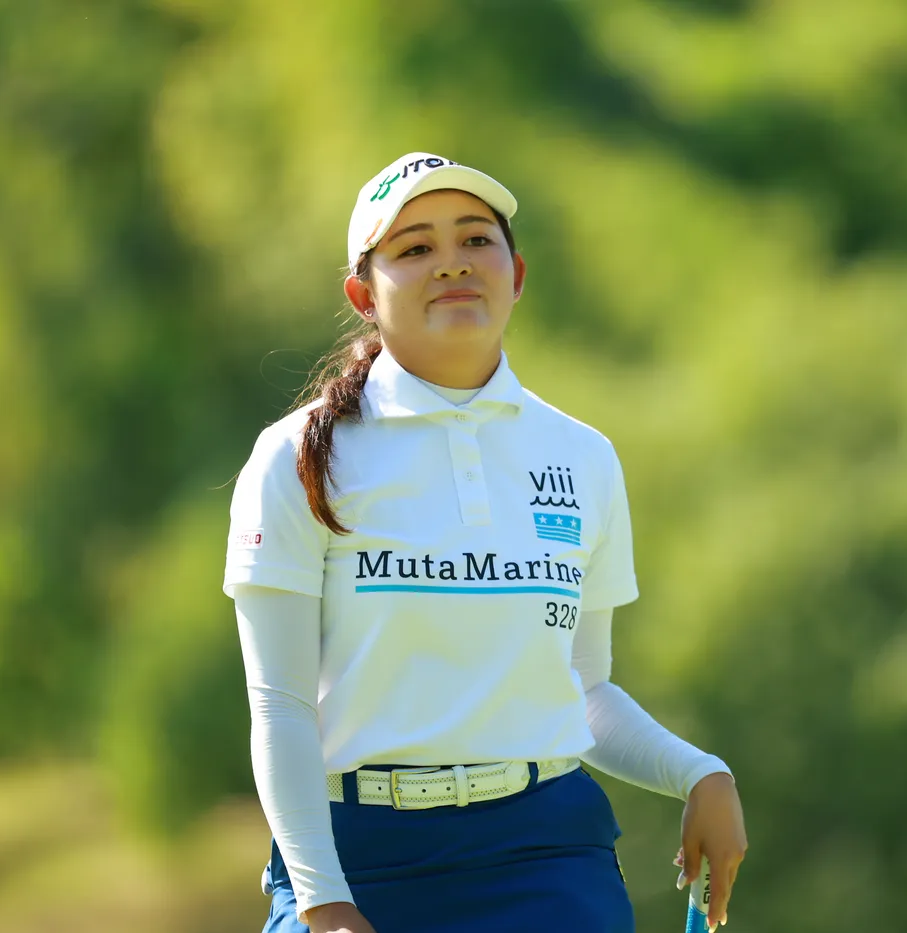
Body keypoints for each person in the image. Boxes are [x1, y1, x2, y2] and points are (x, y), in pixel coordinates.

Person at [223, 152, 748, 933]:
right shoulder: (296, 457)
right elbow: (281, 704)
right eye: (415, 248)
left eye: (476, 239)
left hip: (545, 852)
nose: (452, 263)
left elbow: (585, 689)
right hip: (354, 856)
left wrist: (700, 773)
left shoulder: (582, 455)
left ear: (517, 274)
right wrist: (323, 901)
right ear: (363, 295)